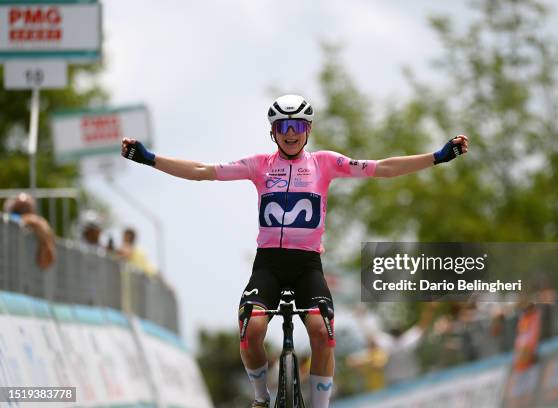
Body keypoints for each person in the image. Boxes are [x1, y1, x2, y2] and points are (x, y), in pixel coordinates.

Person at [121, 94, 469, 408]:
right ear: (273, 131)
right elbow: (201, 171)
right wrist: (148, 158)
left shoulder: (325, 163)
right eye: (283, 126)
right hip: (269, 265)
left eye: (298, 125)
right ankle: (260, 398)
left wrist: (438, 156)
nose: (291, 133)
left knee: (321, 332)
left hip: (307, 267)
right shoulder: (259, 165)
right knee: (252, 330)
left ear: (309, 129)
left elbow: (384, 168)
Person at [3, 192, 56, 270]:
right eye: (20, 209)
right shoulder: (6, 223)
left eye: (27, 210)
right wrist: (33, 220)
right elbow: (9, 220)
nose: (25, 212)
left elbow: (46, 263)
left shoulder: (37, 227)